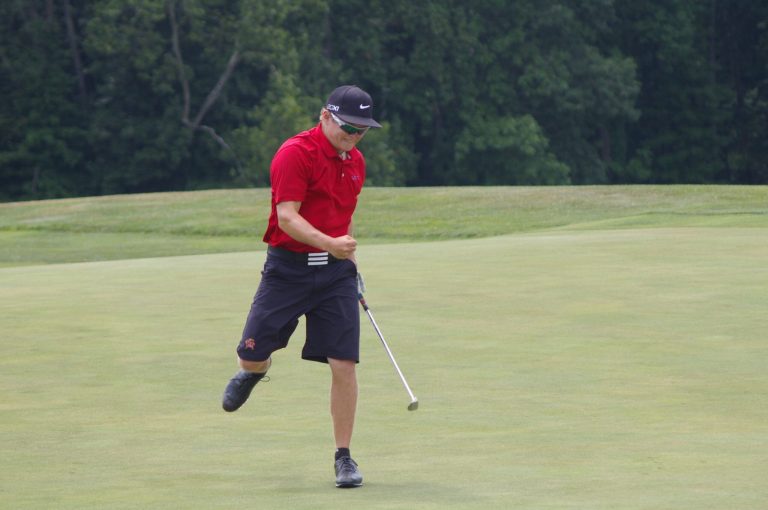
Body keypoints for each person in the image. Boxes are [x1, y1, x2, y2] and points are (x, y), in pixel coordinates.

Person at [221, 85, 382, 488]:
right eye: (348, 126)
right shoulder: (295, 153)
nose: (354, 135)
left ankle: (343, 457)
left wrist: (351, 263)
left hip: (335, 275)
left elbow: (343, 218)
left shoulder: (356, 161)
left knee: (344, 362)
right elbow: (287, 217)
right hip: (287, 270)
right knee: (252, 353)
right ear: (325, 116)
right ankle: (255, 371)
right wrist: (331, 244)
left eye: (362, 130)